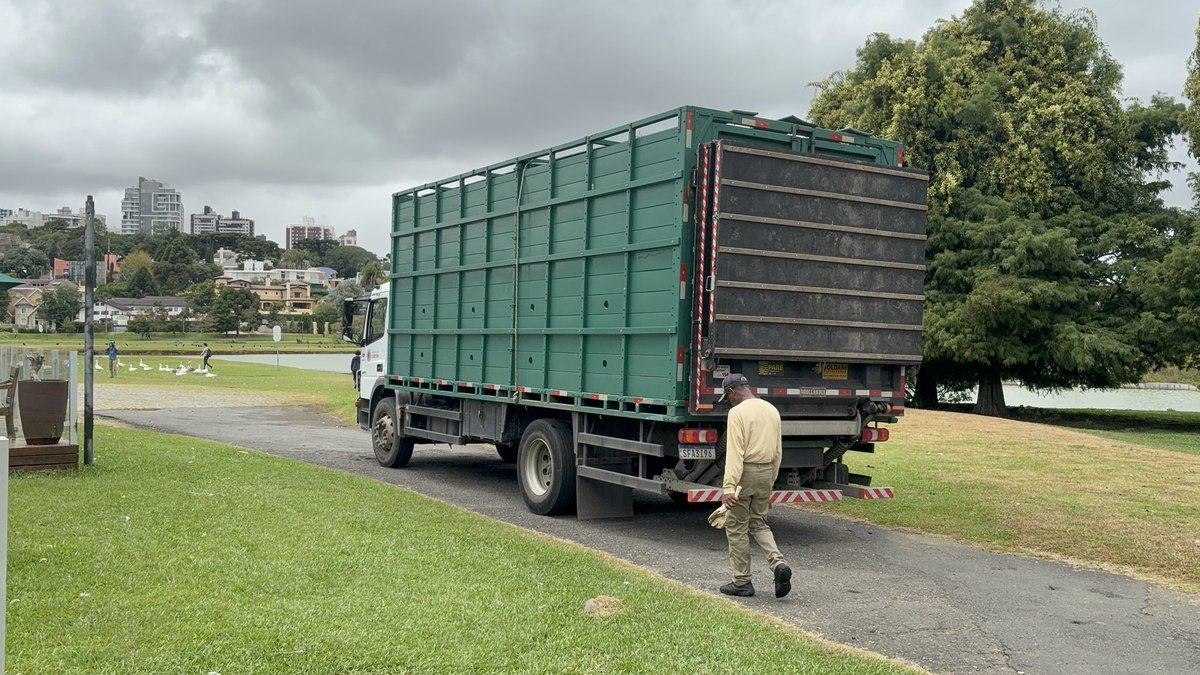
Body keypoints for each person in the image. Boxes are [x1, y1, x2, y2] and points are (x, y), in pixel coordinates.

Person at [717, 373, 791, 599]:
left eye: (727, 398)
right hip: (766, 471)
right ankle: (778, 564)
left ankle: (742, 582)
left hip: (745, 473)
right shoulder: (771, 410)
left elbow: (735, 452)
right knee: (759, 523)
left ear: (732, 392)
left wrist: (729, 487)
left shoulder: (737, 413)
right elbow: (777, 450)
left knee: (737, 526)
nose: (729, 402)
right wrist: (771, 478)